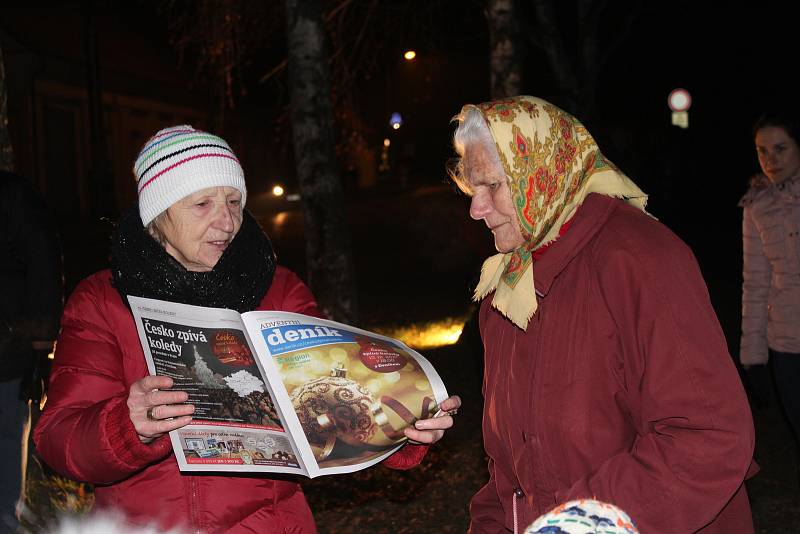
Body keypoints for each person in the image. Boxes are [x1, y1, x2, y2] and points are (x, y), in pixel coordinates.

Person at [33, 125, 459, 532]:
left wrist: (402, 428)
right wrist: (127, 427)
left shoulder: (280, 290)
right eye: (203, 204)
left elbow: (328, 403)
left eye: (234, 202)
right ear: (156, 216)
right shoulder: (102, 302)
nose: (227, 222)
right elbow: (58, 439)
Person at [449, 96, 755, 533]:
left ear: (543, 171)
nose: (475, 209)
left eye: (492, 186)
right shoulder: (508, 285)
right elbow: (513, 474)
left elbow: (708, 436)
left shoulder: (639, 258)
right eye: (471, 189)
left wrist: (578, 523)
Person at [0, 171, 62, 533]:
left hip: (8, 349)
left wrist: (40, 341)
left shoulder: (13, 195)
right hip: (11, 344)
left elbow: (42, 261)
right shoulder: (16, 194)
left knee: (7, 440)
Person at [740, 111, 800, 464]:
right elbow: (756, 283)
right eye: (763, 151)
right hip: (786, 346)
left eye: (781, 149)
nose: (771, 160)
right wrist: (753, 357)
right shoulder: (756, 205)